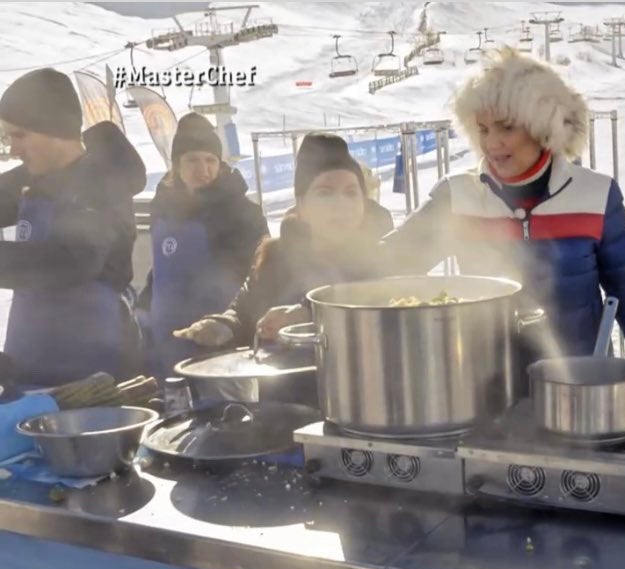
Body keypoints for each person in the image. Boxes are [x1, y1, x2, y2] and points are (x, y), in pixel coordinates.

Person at [377, 46, 625, 401]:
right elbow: (388, 266)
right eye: (483, 129)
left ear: (542, 127)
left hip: (578, 390)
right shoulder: (457, 197)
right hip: (482, 389)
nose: (492, 143)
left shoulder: (594, 195)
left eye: (506, 127)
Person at [174, 133, 392, 348]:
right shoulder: (275, 256)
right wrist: (223, 324)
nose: (340, 204)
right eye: (325, 193)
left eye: (351, 192)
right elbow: (243, 311)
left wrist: (307, 313)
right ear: (302, 205)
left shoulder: (381, 261)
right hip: (286, 382)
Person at [0, 68, 145, 387]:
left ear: (54, 130)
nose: (13, 149)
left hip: (92, 372)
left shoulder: (103, 183)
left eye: (20, 135)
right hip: (28, 364)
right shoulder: (31, 176)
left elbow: (70, 261)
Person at [134, 113, 269, 378]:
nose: (203, 169)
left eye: (210, 160)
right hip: (166, 342)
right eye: (192, 160)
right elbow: (162, 267)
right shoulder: (162, 208)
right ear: (176, 165)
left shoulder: (241, 213)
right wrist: (144, 308)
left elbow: (260, 277)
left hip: (218, 343)